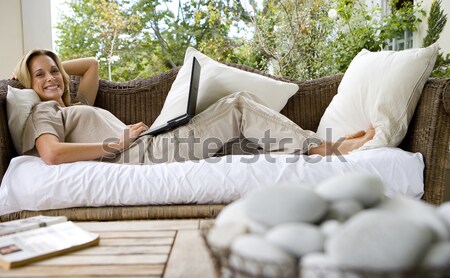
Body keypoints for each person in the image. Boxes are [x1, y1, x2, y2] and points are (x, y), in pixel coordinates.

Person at [13, 48, 375, 165]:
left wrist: (51, 65)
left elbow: (90, 64)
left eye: (54, 71)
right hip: (139, 153)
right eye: (39, 75)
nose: (51, 78)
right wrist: (115, 144)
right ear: (30, 84)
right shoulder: (47, 112)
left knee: (246, 143)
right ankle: (325, 146)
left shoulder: (75, 104)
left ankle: (325, 148)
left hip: (148, 142)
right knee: (238, 107)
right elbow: (51, 154)